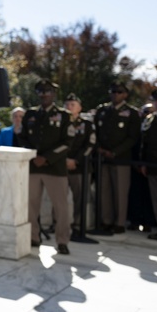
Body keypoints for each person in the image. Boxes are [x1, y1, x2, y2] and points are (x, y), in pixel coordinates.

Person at [17, 80, 73, 253]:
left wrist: (47, 158)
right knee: (31, 205)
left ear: (54, 94)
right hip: (33, 167)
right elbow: (22, 138)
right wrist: (33, 156)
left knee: (61, 207)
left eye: (48, 91)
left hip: (54, 168)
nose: (44, 94)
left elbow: (68, 142)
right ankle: (34, 237)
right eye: (41, 91)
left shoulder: (64, 115)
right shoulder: (31, 114)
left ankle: (62, 241)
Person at [94, 80, 140, 233]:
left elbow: (133, 138)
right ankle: (106, 221)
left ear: (125, 94)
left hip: (121, 158)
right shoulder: (102, 110)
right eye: (113, 91)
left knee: (120, 192)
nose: (115, 94)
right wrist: (100, 148)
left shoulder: (132, 113)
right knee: (104, 190)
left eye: (119, 92)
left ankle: (119, 223)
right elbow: (96, 132)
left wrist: (114, 152)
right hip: (102, 157)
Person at [64, 93, 95, 230]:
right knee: (59, 198)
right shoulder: (60, 123)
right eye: (67, 105)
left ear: (80, 108)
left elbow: (90, 145)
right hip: (61, 165)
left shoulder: (87, 125)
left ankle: (78, 224)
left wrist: (75, 160)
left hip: (80, 166)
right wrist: (64, 160)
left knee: (81, 198)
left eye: (73, 105)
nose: (69, 107)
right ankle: (58, 223)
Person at [139, 88, 157, 239]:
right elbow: (145, 143)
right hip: (152, 165)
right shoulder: (151, 119)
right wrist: (143, 163)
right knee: (156, 198)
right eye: (155, 100)